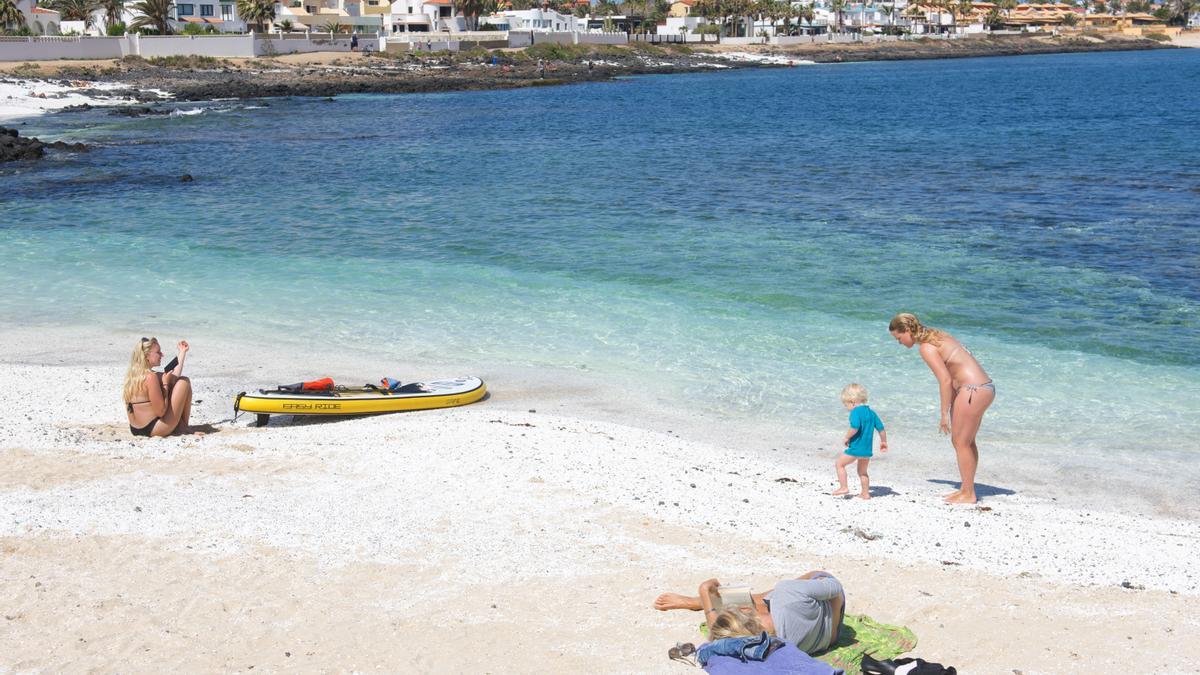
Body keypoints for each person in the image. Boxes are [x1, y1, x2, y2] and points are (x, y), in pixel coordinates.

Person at [888, 312, 994, 504]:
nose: (900, 343)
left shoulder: (927, 348)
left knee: (960, 442)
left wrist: (944, 413)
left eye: (899, 338)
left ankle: (968, 494)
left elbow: (945, 380)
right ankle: (966, 489)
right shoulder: (939, 336)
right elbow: (954, 374)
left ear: (906, 331)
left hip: (972, 390)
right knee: (967, 442)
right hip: (984, 388)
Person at [654, 572, 845, 655]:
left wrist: (705, 594)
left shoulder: (754, 644)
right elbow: (835, 587)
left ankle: (698, 602)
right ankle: (700, 602)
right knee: (773, 595)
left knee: (765, 598)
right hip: (831, 633)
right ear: (745, 611)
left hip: (826, 634)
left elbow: (719, 635)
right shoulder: (786, 594)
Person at [122, 336, 196, 437]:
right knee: (183, 382)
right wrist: (165, 385)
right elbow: (161, 412)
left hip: (135, 429)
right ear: (146, 355)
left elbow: (173, 376)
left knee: (175, 382)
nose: (162, 355)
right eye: (158, 352)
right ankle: (182, 427)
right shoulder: (150, 377)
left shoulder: (132, 376)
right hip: (153, 429)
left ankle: (180, 425)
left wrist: (182, 352)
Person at [833, 383, 887, 499]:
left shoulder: (855, 412)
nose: (846, 408)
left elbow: (855, 427)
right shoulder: (872, 413)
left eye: (846, 405)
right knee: (863, 472)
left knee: (839, 464)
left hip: (856, 448)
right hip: (866, 450)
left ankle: (844, 487)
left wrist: (847, 437)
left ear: (852, 402)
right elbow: (881, 428)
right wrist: (883, 442)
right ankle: (865, 493)